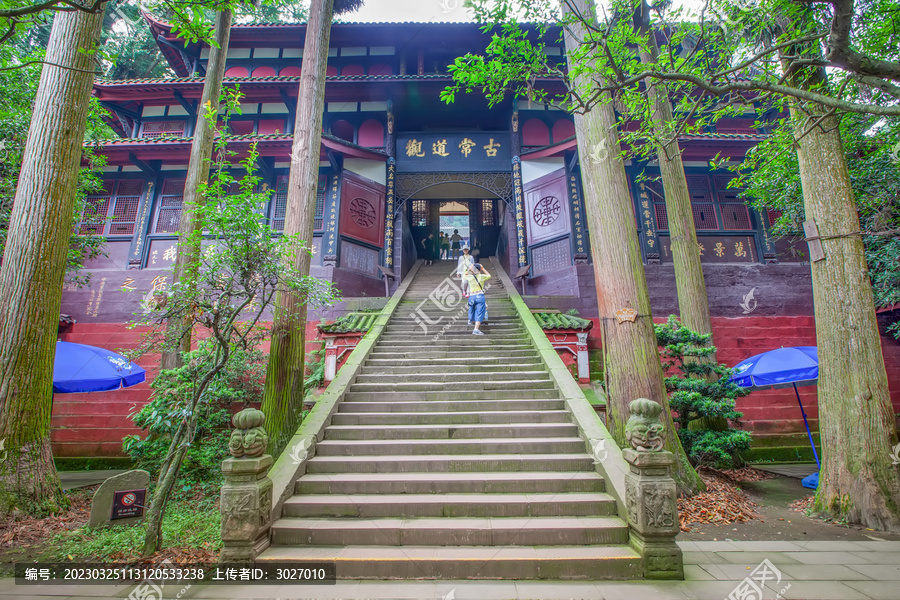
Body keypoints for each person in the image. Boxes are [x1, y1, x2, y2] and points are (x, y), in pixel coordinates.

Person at [463, 263, 490, 335]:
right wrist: (483, 268)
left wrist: (470, 269)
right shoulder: (482, 276)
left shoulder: (470, 277)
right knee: (480, 312)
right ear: (479, 270)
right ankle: (476, 329)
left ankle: (470, 320)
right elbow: (489, 275)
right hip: (480, 295)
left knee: (471, 307)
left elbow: (464, 275)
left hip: (472, 296)